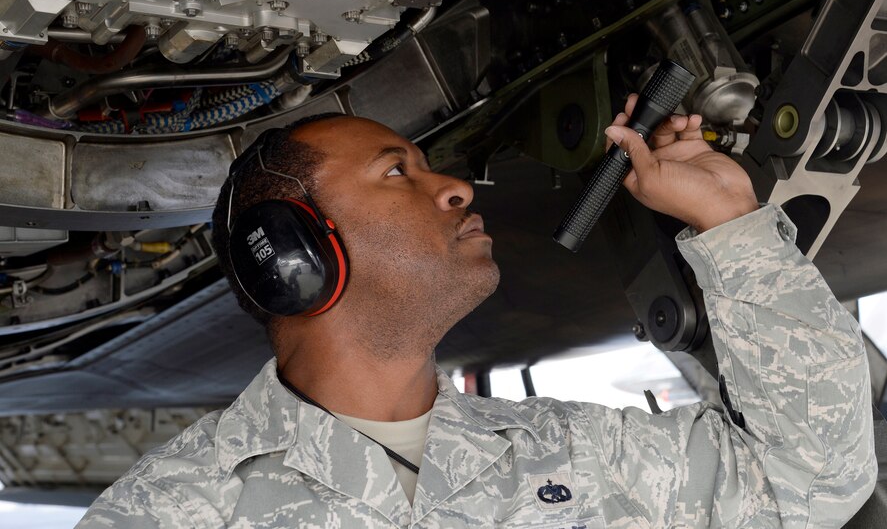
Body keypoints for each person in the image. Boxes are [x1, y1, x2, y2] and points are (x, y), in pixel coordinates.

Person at [77, 96, 876, 528]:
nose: (456, 186)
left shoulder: (577, 453)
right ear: (294, 251)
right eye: (398, 171)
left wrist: (729, 224)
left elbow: (809, 484)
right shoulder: (175, 512)